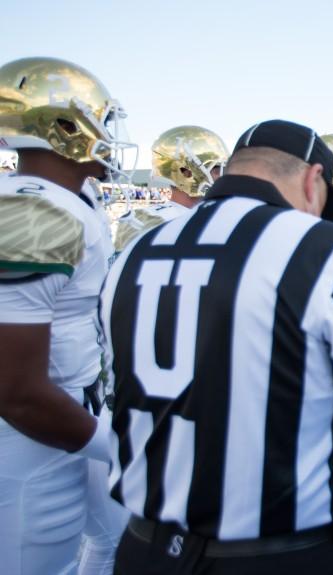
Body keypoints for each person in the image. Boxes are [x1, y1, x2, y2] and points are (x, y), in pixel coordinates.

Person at [100, 120, 333, 574]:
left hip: (145, 548)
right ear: (311, 178)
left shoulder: (135, 250)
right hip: (283, 553)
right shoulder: (322, 249)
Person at [0, 56, 135, 575]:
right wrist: (119, 446)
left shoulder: (65, 201)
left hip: (68, 416)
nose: (109, 135)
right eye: (100, 120)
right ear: (63, 128)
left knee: (118, 538)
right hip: (31, 436)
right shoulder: (35, 212)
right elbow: (16, 389)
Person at [115, 125, 228, 252]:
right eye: (216, 170)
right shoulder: (149, 220)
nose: (223, 176)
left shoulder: (219, 216)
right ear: (186, 172)